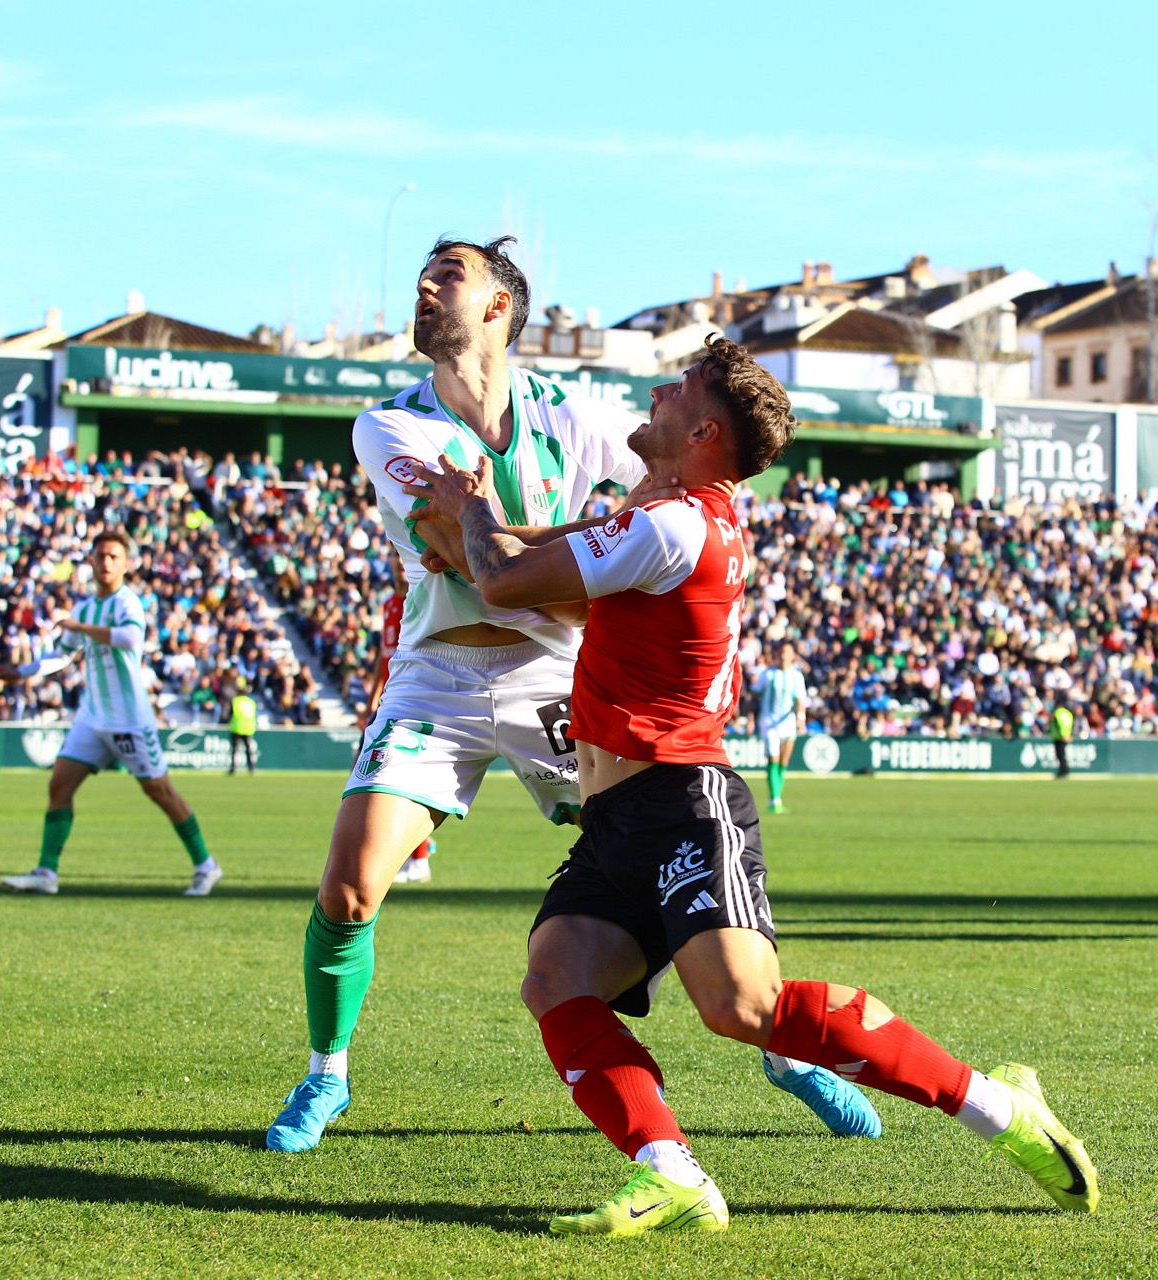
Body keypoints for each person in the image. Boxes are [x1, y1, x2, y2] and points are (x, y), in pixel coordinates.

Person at [412, 334, 1097, 1236]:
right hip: (620, 814)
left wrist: (469, 508)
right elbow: (548, 553)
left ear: (702, 430)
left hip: (681, 802)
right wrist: (483, 536)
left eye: (676, 387)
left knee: (743, 1007)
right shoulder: (673, 512)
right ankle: (672, 1173)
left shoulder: (672, 524)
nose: (653, 391)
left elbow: (505, 577)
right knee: (558, 977)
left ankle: (999, 1107)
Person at [265, 237, 873, 1152]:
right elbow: (455, 549)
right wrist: (571, 546)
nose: (425, 288)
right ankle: (326, 1076)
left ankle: (782, 1046)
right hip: (441, 675)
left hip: (561, 675)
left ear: (500, 307)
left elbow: (653, 520)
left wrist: (543, 546)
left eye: (449, 277)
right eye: (422, 277)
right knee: (350, 885)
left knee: (663, 853)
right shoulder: (389, 425)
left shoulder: (578, 415)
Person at [0, 530, 220, 897]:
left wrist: (79, 628)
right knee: (59, 784)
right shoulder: (84, 607)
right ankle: (47, 873)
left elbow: (130, 638)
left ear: (126, 564)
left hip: (130, 718)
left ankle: (206, 865)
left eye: (113, 556)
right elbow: (62, 655)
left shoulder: (127, 603)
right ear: (92, 561)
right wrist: (22, 672)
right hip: (92, 717)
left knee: (159, 791)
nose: (106, 562)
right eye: (100, 556)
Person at [362, 558, 436, 885]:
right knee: (386, 778)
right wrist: (372, 702)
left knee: (400, 778)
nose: (397, 566)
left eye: (399, 559)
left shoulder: (424, 594)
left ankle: (418, 856)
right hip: (395, 698)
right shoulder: (391, 604)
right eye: (392, 560)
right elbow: (384, 659)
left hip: (420, 695)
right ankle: (418, 850)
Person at [751, 641, 807, 813]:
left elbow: (800, 700)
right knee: (773, 759)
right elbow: (754, 692)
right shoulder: (768, 674)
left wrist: (800, 718)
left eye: (787, 651)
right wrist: (753, 717)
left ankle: (777, 798)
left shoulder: (796, 676)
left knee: (784, 761)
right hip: (769, 724)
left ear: (792, 656)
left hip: (788, 723)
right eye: (782, 650)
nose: (784, 654)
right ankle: (774, 800)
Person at [227, 681, 258, 775]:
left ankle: (233, 768)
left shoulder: (235, 701)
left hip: (237, 728)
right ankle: (251, 768)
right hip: (248, 728)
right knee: (248, 750)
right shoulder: (251, 702)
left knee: (234, 750)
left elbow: (230, 714)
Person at [1048, 699, 1074, 779]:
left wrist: (1064, 735)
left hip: (1059, 737)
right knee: (1062, 755)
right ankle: (1064, 771)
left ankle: (1064, 771)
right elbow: (1069, 724)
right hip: (1066, 735)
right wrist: (1068, 734)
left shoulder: (1057, 713)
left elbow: (1060, 724)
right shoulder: (1068, 713)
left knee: (1060, 755)